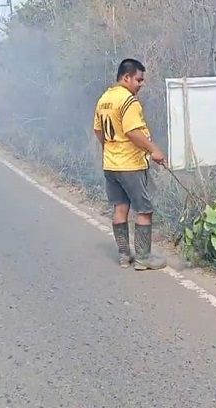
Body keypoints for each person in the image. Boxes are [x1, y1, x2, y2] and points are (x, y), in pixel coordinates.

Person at [93, 58, 167, 270]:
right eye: (138, 80)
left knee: (120, 207)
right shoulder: (128, 101)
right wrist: (154, 150)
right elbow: (133, 132)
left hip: (111, 164)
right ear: (126, 77)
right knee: (144, 210)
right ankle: (143, 258)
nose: (141, 84)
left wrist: (110, 147)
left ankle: (124, 255)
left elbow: (98, 131)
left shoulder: (104, 99)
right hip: (130, 165)